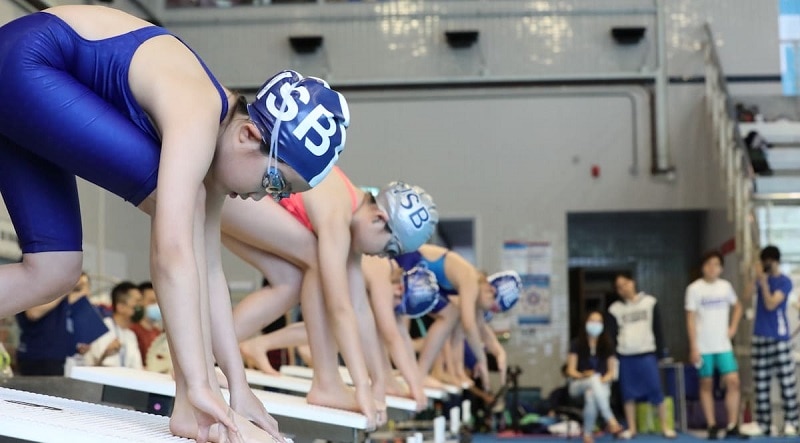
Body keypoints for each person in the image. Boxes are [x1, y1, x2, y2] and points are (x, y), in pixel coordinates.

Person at [0, 5, 349, 441]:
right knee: (180, 213)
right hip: (27, 60)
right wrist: (197, 386)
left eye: (281, 195)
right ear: (248, 137)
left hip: (19, 75)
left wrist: (238, 388)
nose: (264, 198)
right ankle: (189, 402)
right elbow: (172, 252)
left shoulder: (216, 150)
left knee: (53, 270)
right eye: (274, 181)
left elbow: (210, 271)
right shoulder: (201, 112)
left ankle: (196, 395)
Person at [223, 175, 437, 427]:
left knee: (291, 282)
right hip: (232, 188)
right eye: (388, 250)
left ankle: (211, 354)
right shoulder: (338, 217)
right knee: (315, 259)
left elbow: (360, 309)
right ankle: (327, 383)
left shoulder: (352, 213)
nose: (379, 257)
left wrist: (378, 380)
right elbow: (340, 308)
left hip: (237, 193)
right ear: (379, 219)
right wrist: (361, 387)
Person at [395, 244, 491, 390]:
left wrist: (456, 372)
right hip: (411, 258)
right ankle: (415, 374)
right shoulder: (470, 279)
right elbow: (469, 325)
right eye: (492, 295)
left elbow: (458, 335)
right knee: (403, 317)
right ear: (488, 286)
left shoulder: (464, 286)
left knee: (449, 315)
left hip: (415, 264)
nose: (492, 303)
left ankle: (423, 373)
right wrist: (482, 359)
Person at [685, 251, 746, 439]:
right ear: (703, 267)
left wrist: (733, 327)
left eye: (716, 264)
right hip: (703, 346)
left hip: (723, 344)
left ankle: (732, 424)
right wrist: (693, 346)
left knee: (733, 382)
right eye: (709, 264)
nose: (713, 268)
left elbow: (738, 306)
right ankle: (711, 424)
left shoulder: (725, 287)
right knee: (706, 384)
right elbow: (690, 319)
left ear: (721, 268)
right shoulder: (694, 289)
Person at [608, 272, 676, 439]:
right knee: (628, 393)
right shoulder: (614, 309)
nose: (623, 288)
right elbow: (611, 335)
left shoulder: (649, 302)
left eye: (625, 284)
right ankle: (631, 428)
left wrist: (661, 353)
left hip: (647, 354)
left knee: (656, 390)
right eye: (619, 287)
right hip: (625, 355)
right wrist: (613, 356)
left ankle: (665, 427)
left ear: (633, 282)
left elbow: (657, 329)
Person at [751, 245, 799, 436]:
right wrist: (755, 276)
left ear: (776, 261)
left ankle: (791, 421)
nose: (766, 265)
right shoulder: (760, 278)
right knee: (761, 383)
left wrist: (764, 283)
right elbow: (745, 296)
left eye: (768, 262)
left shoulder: (784, 281)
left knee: (786, 382)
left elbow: (771, 303)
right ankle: (763, 423)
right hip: (759, 336)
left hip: (779, 337)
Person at [15, 272, 96, 376]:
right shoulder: (37, 284)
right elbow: (34, 312)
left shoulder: (64, 303)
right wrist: (66, 288)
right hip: (39, 358)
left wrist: (77, 347)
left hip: (57, 359)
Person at [566, 311, 629, 443]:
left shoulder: (608, 344)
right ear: (586, 323)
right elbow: (570, 370)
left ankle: (587, 435)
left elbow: (611, 372)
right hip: (578, 384)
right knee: (592, 379)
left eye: (598, 321)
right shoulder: (577, 343)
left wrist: (599, 381)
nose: (595, 324)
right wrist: (584, 375)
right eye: (592, 321)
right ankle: (611, 420)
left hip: (601, 383)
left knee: (591, 393)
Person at [85, 281, 144, 369]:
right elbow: (99, 367)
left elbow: (137, 369)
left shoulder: (131, 335)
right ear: (121, 307)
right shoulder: (102, 327)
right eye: (137, 302)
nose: (142, 306)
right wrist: (105, 354)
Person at [130, 281, 163, 368]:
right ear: (139, 303)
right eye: (152, 301)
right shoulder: (132, 331)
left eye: (158, 302)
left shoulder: (158, 333)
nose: (157, 306)